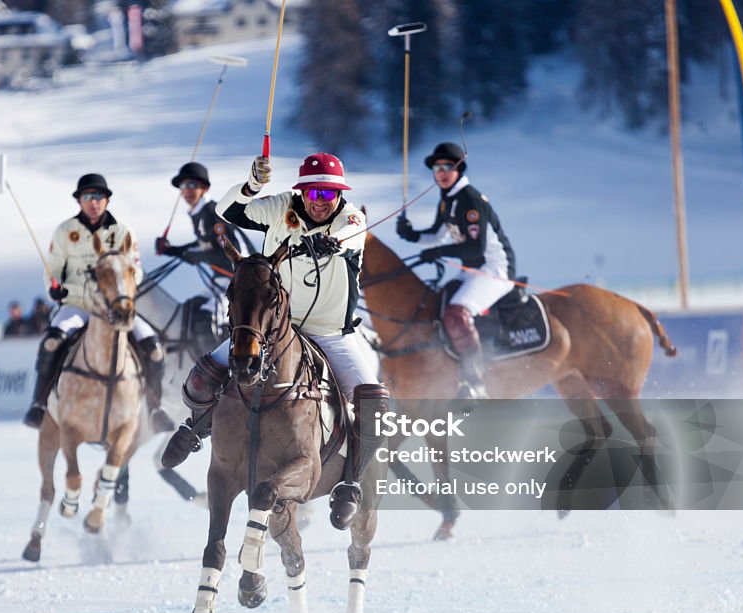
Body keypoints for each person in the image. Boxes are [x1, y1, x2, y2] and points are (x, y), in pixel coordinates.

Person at [161, 153, 391, 531]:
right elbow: (229, 211)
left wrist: (326, 242)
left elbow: (350, 233)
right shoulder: (281, 207)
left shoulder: (351, 218)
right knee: (204, 377)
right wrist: (252, 184)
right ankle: (195, 427)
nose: (321, 200)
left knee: (375, 405)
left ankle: (350, 483)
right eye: (314, 191)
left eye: (329, 192)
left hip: (331, 333)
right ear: (301, 191)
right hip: (277, 329)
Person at [21, 172, 174, 433]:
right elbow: (53, 269)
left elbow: (135, 269)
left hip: (116, 309)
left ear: (107, 200)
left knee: (154, 348)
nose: (93, 202)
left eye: (98, 197)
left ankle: (155, 408)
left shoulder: (122, 231)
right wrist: (54, 289)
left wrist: (125, 290)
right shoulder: (65, 231)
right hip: (77, 305)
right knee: (50, 343)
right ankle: (39, 403)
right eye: (87, 197)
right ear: (79, 200)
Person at [396, 142, 517, 400]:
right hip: (472, 269)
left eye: (447, 167)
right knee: (435, 304)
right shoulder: (447, 198)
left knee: (456, 314)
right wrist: (412, 235)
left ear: (459, 169)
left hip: (495, 269)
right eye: (437, 168)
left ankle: (476, 383)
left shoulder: (469, 199)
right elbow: (438, 235)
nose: (440, 172)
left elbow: (475, 248)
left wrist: (438, 253)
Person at [154, 161, 244, 274]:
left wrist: (195, 256)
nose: (186, 190)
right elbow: (205, 244)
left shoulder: (213, 213)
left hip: (243, 278)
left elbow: (231, 254)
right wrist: (171, 250)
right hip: (223, 277)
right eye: (182, 186)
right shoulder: (198, 212)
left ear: (204, 188)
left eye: (192, 184)